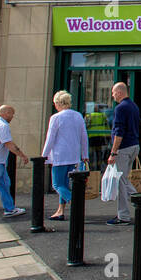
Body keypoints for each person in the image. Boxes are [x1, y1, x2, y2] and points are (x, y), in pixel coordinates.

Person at [42, 90, 89, 221]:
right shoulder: (78, 116)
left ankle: (75, 202)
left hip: (59, 156)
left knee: (57, 184)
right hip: (74, 155)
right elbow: (83, 136)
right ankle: (60, 211)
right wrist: (85, 153)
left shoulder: (56, 118)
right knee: (65, 184)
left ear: (58, 103)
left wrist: (44, 155)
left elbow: (50, 138)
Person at [106, 81, 141, 225]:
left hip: (124, 148)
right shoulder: (133, 106)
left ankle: (123, 216)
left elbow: (118, 132)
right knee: (124, 179)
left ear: (120, 92)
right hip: (133, 146)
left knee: (120, 181)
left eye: (113, 92)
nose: (112, 95)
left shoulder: (120, 108)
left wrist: (113, 152)